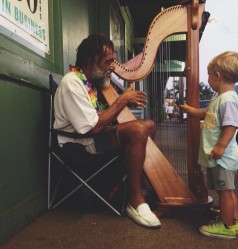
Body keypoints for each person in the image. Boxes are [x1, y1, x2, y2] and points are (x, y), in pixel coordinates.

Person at [53, 34, 161, 228]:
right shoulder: (72, 83)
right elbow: (92, 127)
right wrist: (122, 100)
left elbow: (98, 119)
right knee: (137, 130)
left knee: (149, 125)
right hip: (77, 147)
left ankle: (129, 185)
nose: (113, 66)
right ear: (89, 61)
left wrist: (121, 102)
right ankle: (135, 201)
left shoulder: (91, 83)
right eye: (108, 61)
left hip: (92, 139)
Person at [180, 51, 238, 239]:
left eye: (208, 76)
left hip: (222, 157)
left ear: (217, 76)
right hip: (221, 157)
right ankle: (234, 221)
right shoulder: (220, 98)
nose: (207, 79)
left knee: (224, 192)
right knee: (228, 190)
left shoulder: (228, 100)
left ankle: (225, 226)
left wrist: (220, 147)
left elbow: (231, 125)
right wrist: (189, 110)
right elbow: (204, 113)